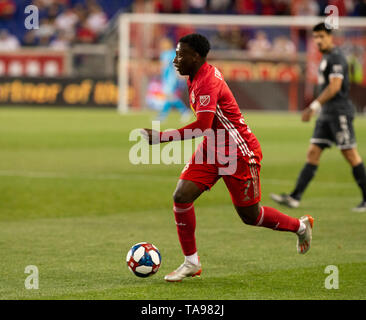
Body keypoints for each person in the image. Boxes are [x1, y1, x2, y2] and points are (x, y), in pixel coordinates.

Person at [141, 33, 314, 282]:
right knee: (181, 196)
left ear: (196, 56)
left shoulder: (207, 82)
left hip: (239, 151)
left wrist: (161, 137)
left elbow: (201, 125)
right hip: (213, 148)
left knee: (250, 216)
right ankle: (191, 262)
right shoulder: (194, 77)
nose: (175, 60)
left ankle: (300, 226)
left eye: (181, 55)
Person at [270, 23, 366, 212]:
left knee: (350, 154)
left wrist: (314, 106)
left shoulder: (337, 57)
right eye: (315, 37)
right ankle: (295, 197)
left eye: (322, 36)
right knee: (313, 152)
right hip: (327, 114)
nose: (318, 40)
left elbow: (335, 87)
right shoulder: (327, 57)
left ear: (330, 37)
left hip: (339, 113)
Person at [156, 37, 191, 123]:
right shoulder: (163, 54)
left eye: (164, 43)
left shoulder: (172, 53)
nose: (162, 45)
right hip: (166, 77)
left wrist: (179, 75)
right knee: (169, 97)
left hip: (171, 78)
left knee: (170, 96)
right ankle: (164, 115)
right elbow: (163, 67)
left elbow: (176, 65)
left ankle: (184, 111)